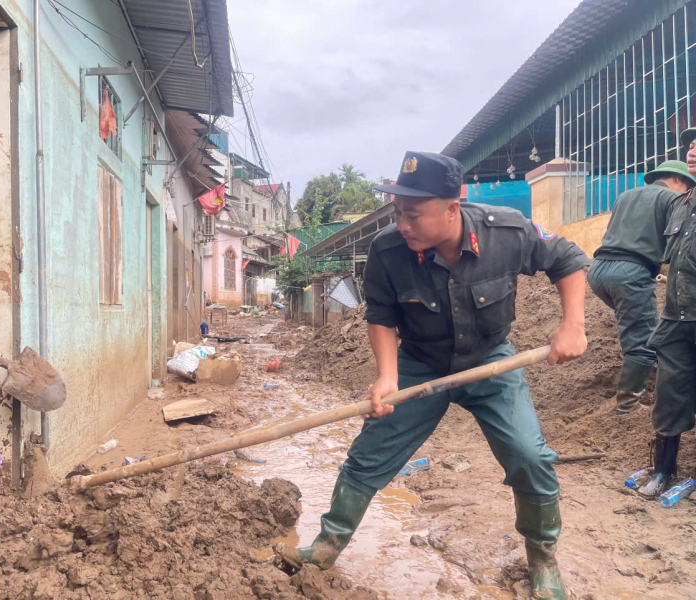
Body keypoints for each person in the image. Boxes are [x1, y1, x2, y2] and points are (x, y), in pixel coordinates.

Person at [273, 152, 588, 600]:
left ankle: (543, 561)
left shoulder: (507, 232)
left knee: (530, 457)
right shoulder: (387, 252)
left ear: (452, 208)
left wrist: (572, 325)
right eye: (399, 213)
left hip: (490, 360)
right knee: (369, 454)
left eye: (414, 215)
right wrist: (387, 376)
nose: (404, 225)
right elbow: (380, 316)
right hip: (420, 362)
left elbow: (569, 260)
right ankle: (326, 546)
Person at [587, 161, 695, 414]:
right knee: (644, 344)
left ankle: (652, 370)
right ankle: (628, 405)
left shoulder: (626, 195)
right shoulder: (672, 198)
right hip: (630, 272)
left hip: (598, 270)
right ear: (680, 181)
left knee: (645, 326)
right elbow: (679, 242)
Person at [637, 131, 696, 498]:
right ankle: (664, 471)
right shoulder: (680, 204)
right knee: (669, 395)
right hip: (676, 320)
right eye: (691, 144)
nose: (692, 151)